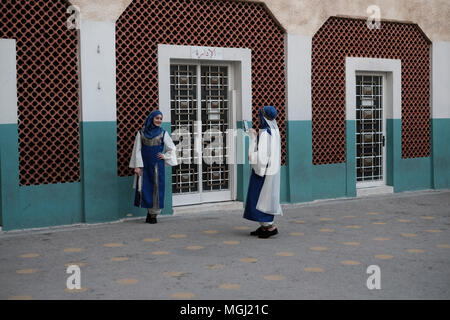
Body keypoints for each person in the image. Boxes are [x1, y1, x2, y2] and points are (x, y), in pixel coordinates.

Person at [129, 110, 177, 224]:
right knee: (144, 188)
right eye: (157, 118)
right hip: (144, 165)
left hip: (157, 166)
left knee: (156, 189)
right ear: (151, 118)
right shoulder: (141, 133)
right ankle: (149, 213)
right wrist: (137, 166)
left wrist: (165, 156)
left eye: (161, 118)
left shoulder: (163, 133)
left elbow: (172, 148)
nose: (159, 120)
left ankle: (153, 215)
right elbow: (137, 150)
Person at [243, 105, 283, 238]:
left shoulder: (265, 132)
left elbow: (259, 157)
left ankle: (269, 227)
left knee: (258, 198)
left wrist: (252, 138)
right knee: (265, 198)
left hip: (263, 172)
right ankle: (264, 227)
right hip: (270, 171)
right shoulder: (275, 130)